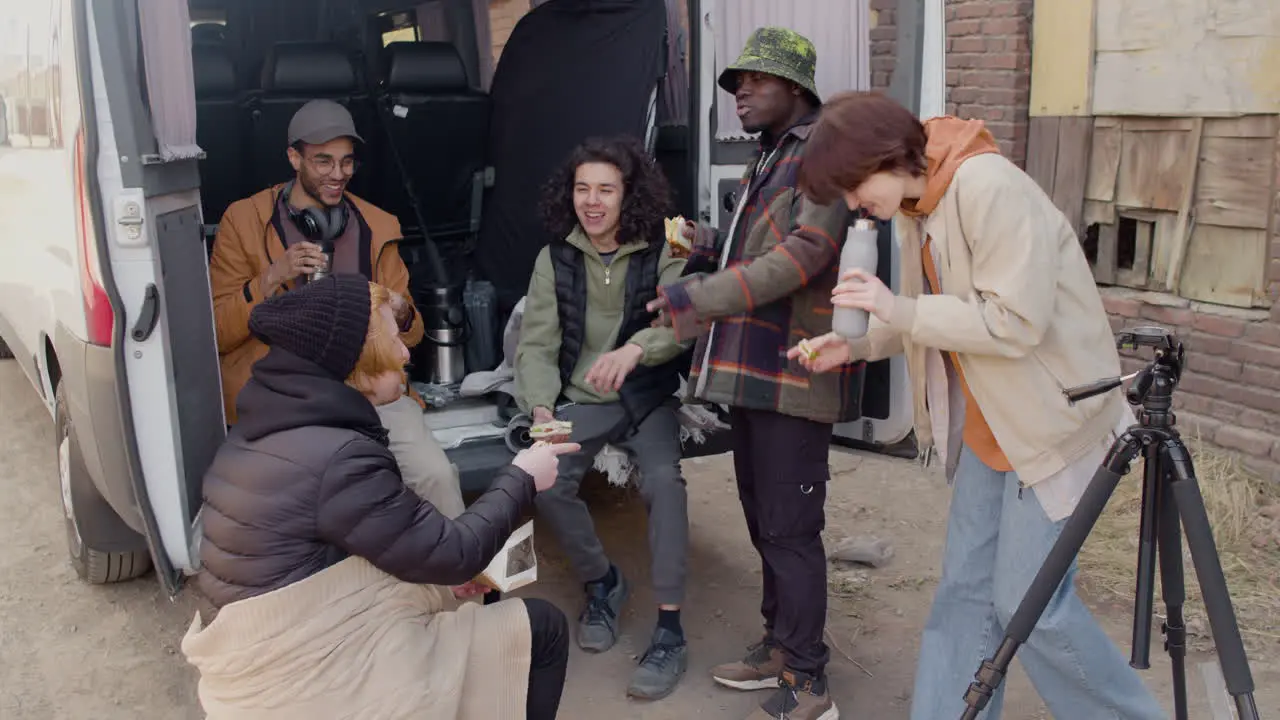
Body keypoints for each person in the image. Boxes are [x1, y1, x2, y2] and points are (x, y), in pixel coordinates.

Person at [789, 91, 1165, 720]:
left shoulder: (988, 187)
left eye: (853, 188)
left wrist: (896, 310)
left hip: (1050, 425)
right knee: (963, 594)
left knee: (1031, 608)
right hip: (991, 427)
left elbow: (1012, 322)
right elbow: (928, 315)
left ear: (885, 155)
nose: (855, 206)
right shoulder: (918, 204)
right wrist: (856, 344)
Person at [182, 274, 581, 720]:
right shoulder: (339, 456)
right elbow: (457, 553)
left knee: (460, 587)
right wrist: (523, 476)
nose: (406, 352)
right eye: (394, 340)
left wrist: (441, 580)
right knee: (541, 629)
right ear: (359, 359)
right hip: (306, 679)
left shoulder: (264, 434)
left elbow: (338, 557)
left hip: (264, 657)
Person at [646, 27, 856, 720]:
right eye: (735, 83)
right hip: (751, 373)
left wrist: (696, 295)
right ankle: (779, 645)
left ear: (793, 88)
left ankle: (810, 679)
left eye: (754, 81)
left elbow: (803, 257)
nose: (739, 93)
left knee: (792, 529)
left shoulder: (822, 153)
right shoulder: (768, 156)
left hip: (793, 374)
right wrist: (706, 242)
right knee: (765, 521)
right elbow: (754, 245)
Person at [207, 99, 466, 519]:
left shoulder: (377, 225)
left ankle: (461, 577)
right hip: (285, 399)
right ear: (294, 157)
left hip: (371, 393)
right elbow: (218, 333)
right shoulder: (243, 221)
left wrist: (399, 311)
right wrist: (272, 277)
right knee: (306, 507)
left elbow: (413, 335)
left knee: (435, 475)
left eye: (346, 162)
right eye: (323, 161)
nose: (337, 174)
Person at [514, 135, 691, 700]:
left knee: (665, 483)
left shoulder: (663, 250)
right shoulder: (554, 257)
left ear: (628, 195)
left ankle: (669, 629)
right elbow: (536, 345)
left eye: (606, 190)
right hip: (581, 399)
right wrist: (541, 405)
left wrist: (635, 349)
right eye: (582, 188)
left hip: (645, 395)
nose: (592, 201)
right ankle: (603, 582)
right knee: (544, 480)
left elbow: (678, 323)